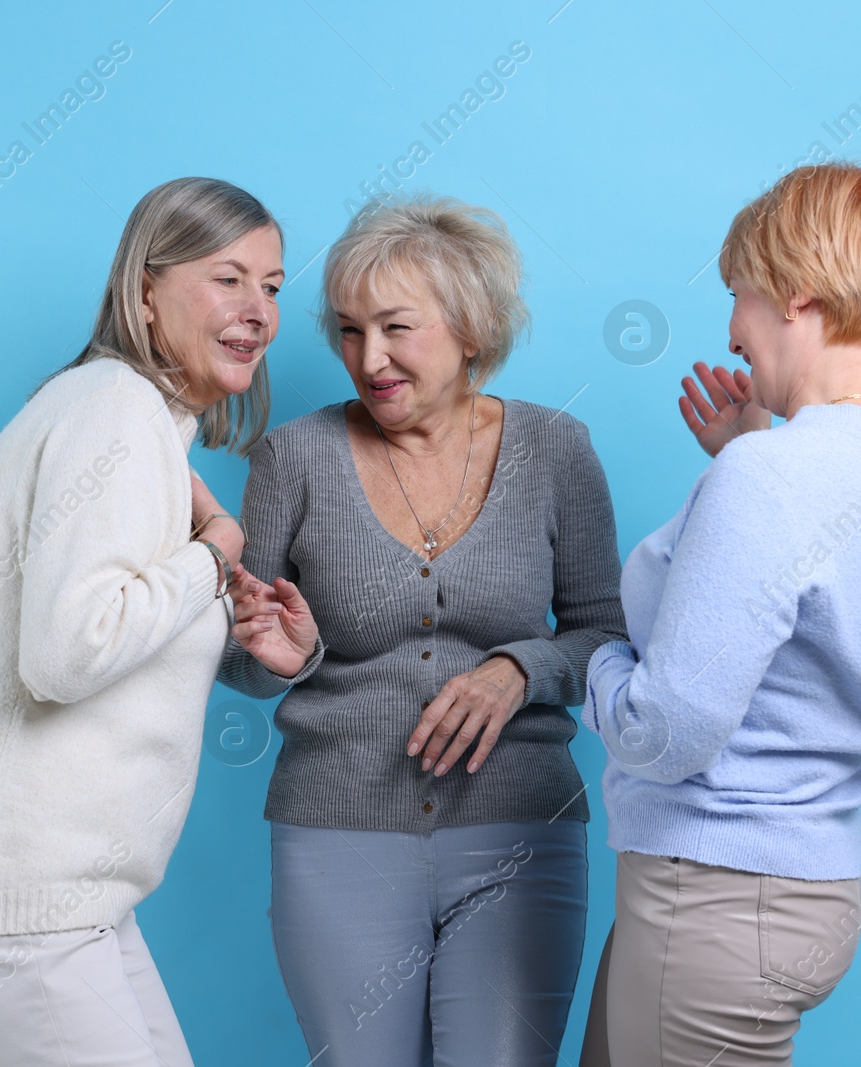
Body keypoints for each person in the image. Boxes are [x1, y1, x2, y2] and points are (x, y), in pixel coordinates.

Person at [0, 177, 283, 1067]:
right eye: (229, 278)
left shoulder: (128, 419)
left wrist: (246, 629)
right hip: (17, 901)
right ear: (145, 288)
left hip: (64, 899)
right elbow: (68, 651)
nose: (258, 310)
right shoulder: (115, 412)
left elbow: (116, 625)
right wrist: (214, 554)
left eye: (273, 286)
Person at [216, 194, 627, 1066]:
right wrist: (279, 657)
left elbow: (608, 635)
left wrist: (522, 668)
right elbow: (239, 655)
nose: (369, 359)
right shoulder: (293, 457)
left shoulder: (558, 450)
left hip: (521, 833)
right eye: (349, 330)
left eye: (397, 327)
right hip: (338, 838)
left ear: (472, 327)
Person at [578, 162, 861, 1066]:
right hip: (810, 887)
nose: (733, 327)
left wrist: (592, 658)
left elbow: (667, 732)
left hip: (716, 895)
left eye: (740, 293)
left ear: (796, 292)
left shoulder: (774, 478)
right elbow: (821, 644)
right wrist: (749, 454)